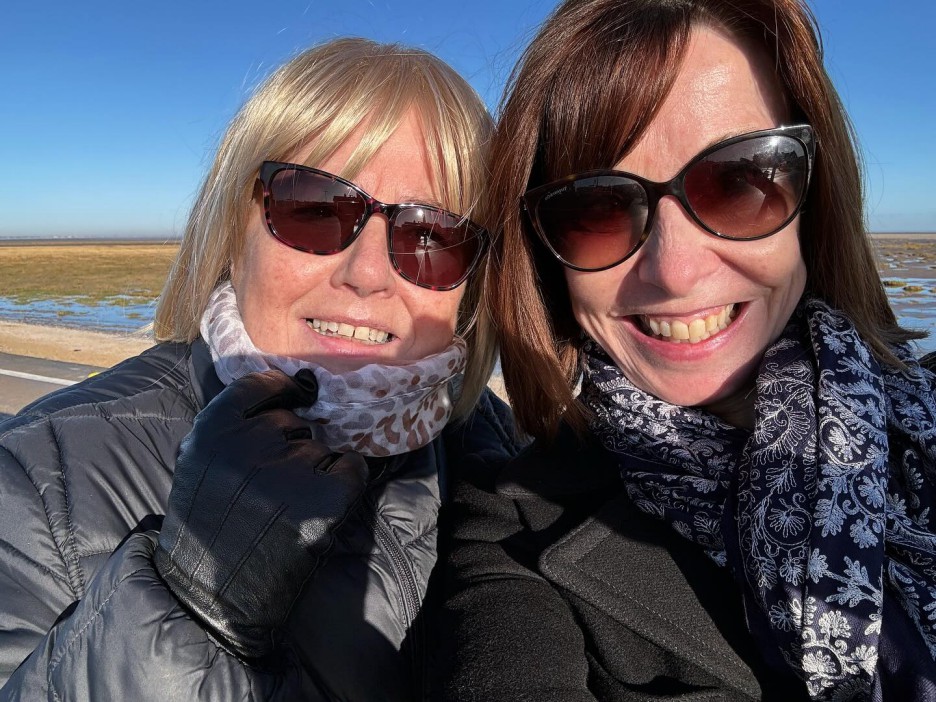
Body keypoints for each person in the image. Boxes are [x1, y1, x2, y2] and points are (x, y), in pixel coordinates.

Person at [436, 0, 936, 699]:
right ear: (546, 257)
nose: (673, 270)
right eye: (597, 210)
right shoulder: (511, 534)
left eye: (738, 182)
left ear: (814, 197)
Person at [0, 37, 520, 701]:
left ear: (472, 285)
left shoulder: (504, 458)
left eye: (430, 237)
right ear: (231, 233)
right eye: (313, 209)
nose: (365, 274)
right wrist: (191, 608)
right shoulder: (40, 478)